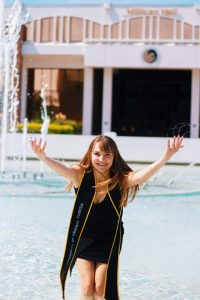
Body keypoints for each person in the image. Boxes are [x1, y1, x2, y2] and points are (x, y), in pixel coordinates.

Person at [30, 135, 183, 300]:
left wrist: (165, 158)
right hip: (84, 237)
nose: (102, 159)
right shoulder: (80, 175)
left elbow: (142, 176)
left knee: (100, 288)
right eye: (97, 154)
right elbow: (63, 169)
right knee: (88, 287)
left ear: (114, 157)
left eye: (107, 155)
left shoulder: (121, 180)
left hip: (109, 238)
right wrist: (43, 157)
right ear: (90, 155)